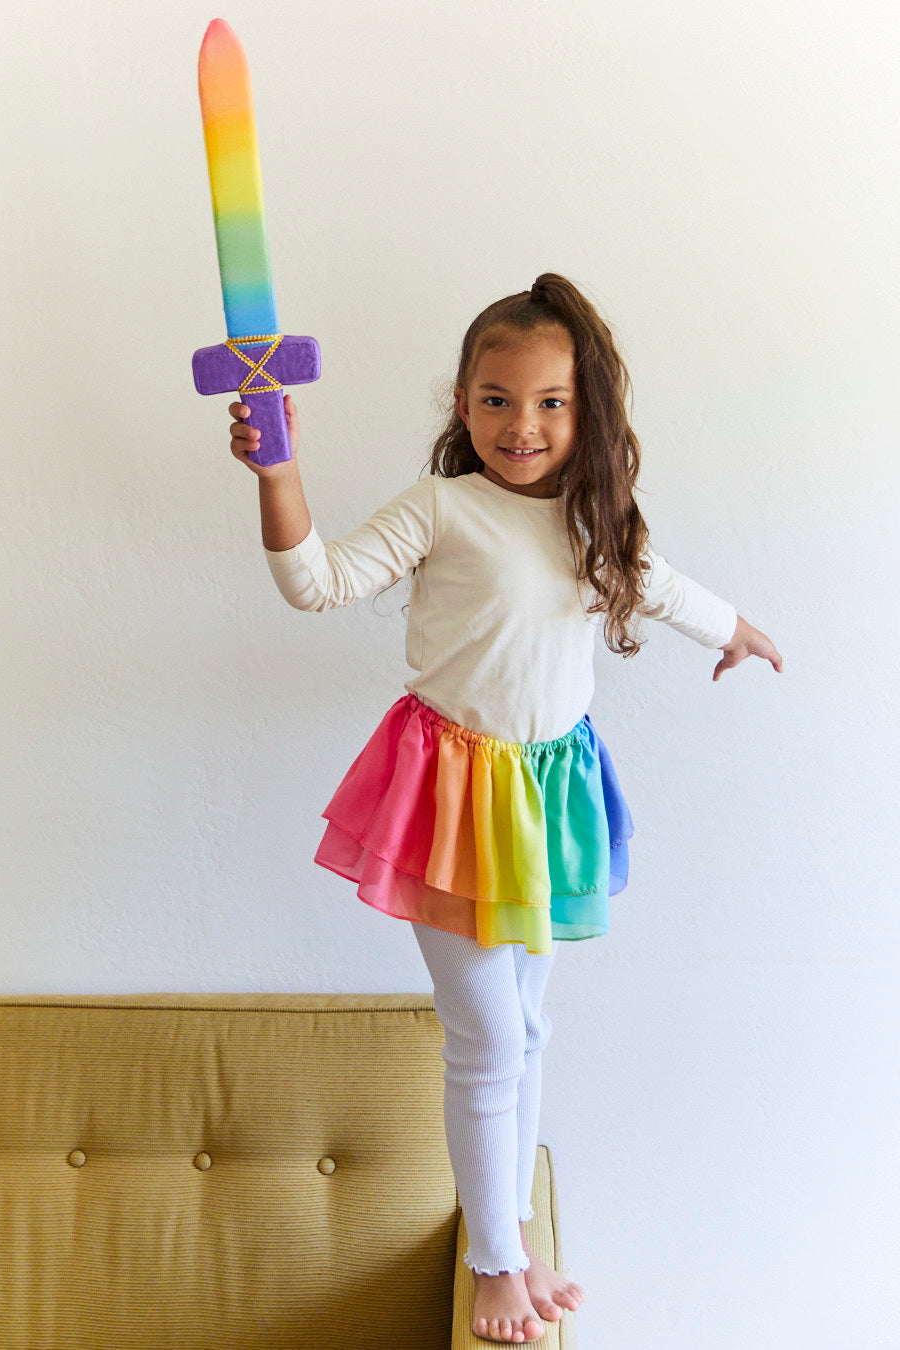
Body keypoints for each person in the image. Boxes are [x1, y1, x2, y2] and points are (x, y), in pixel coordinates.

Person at [226, 274, 782, 1345]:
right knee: (486, 1037)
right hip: (449, 798)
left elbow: (662, 585)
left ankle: (514, 1241)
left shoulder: (595, 520)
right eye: (495, 400)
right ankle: (492, 1265)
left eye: (549, 403)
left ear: (586, 411)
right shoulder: (442, 509)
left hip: (550, 799)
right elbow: (315, 582)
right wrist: (278, 472)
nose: (520, 425)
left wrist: (735, 632)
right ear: (462, 403)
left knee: (528, 1029)